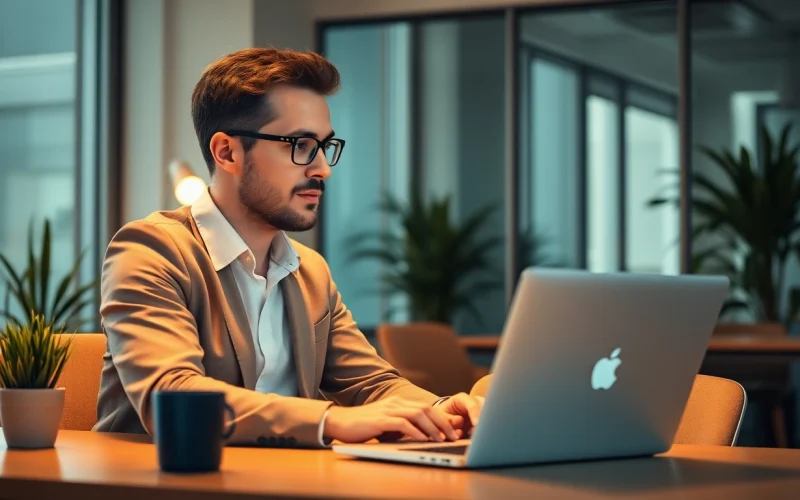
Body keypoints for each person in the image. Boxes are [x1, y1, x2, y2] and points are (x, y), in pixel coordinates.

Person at [94, 47, 484, 447]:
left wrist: (441, 408)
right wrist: (330, 421)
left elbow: (371, 382)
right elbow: (171, 395)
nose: (322, 169)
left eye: (325, 147)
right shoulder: (150, 251)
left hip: (286, 481)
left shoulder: (309, 270)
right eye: (300, 145)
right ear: (227, 152)